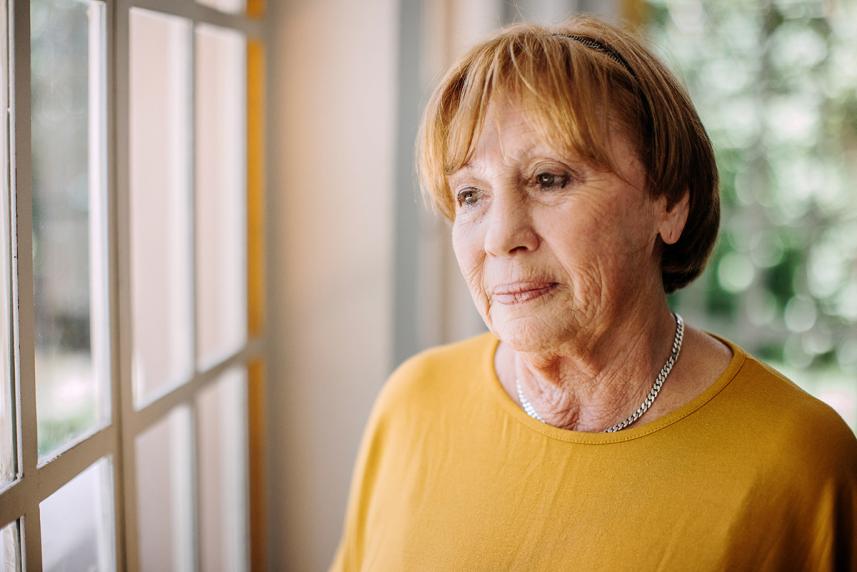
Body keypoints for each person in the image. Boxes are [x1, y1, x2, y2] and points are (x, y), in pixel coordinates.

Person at [331, 16, 857, 571]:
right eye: (470, 194)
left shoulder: (800, 462)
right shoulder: (413, 403)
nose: (501, 236)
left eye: (549, 179)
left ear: (670, 202)